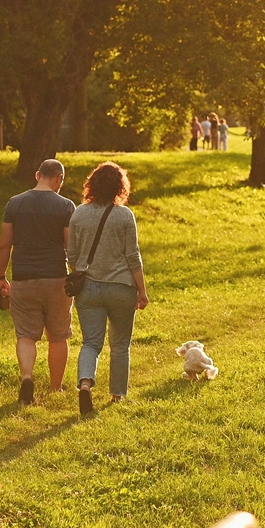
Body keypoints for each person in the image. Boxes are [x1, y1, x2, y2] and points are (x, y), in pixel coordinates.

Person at [70, 160, 149, 416]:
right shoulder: (124, 215)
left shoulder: (79, 213)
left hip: (88, 288)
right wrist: (142, 290)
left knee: (91, 342)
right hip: (121, 288)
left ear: (92, 184)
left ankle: (84, 383)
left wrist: (80, 270)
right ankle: (117, 395)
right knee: (120, 344)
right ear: (120, 187)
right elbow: (132, 256)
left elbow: (71, 253)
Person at [0, 159, 77, 405]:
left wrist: (1, 278)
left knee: (26, 335)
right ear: (59, 179)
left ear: (37, 174)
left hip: (23, 279)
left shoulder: (15, 203)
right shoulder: (66, 206)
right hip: (57, 279)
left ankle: (27, 377)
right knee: (58, 335)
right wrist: (77, 275)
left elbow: (4, 245)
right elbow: (70, 246)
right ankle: (55, 388)